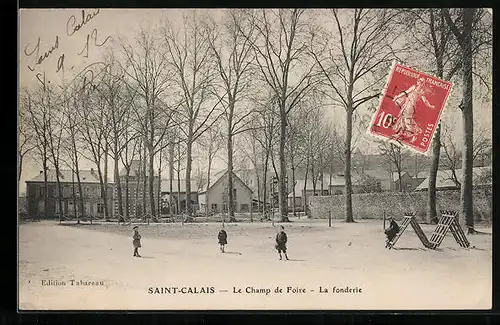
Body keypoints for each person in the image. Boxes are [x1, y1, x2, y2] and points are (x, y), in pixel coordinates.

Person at [392, 77, 435, 143]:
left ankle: (414, 134)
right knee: (402, 118)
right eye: (418, 81)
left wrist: (430, 106)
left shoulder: (421, 91)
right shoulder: (414, 87)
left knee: (407, 120)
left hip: (410, 106)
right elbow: (405, 93)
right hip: (406, 104)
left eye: (421, 81)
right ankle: (400, 133)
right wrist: (397, 97)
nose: (419, 82)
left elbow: (425, 101)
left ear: (423, 83)